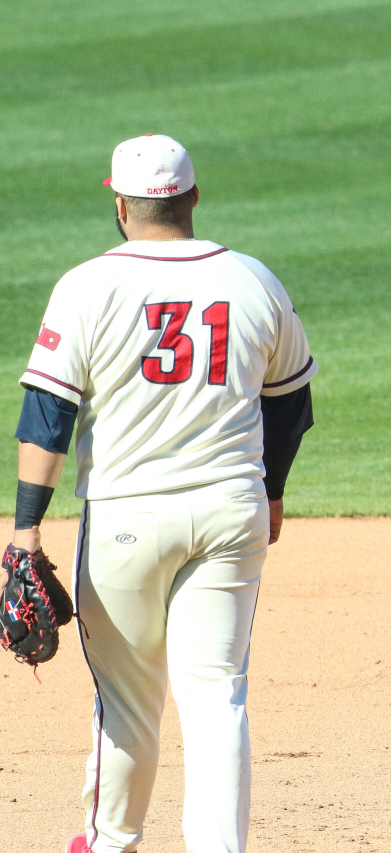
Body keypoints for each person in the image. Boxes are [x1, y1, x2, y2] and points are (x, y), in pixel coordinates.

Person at [11, 133, 318, 853]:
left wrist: (25, 531)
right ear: (193, 198)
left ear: (121, 206)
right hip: (230, 512)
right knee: (217, 695)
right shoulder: (252, 279)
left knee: (126, 701)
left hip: (127, 520)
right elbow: (290, 402)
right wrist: (272, 491)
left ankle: (110, 842)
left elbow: (47, 417)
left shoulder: (86, 285)